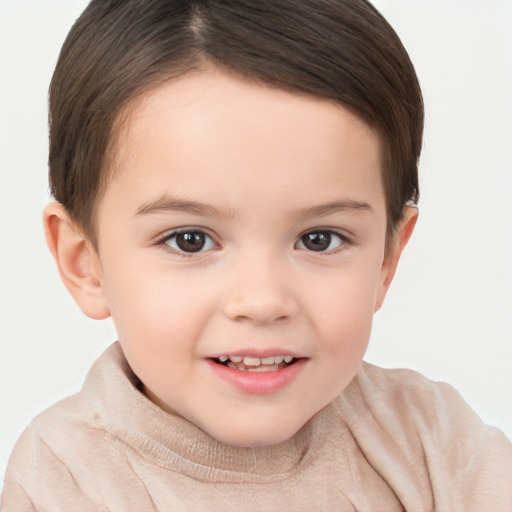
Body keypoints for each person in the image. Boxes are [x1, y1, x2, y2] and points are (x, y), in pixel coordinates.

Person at [2, 0, 511, 510]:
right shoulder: (63, 479)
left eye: (319, 239)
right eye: (190, 240)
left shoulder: (436, 444)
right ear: (84, 262)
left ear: (387, 258)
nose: (263, 301)